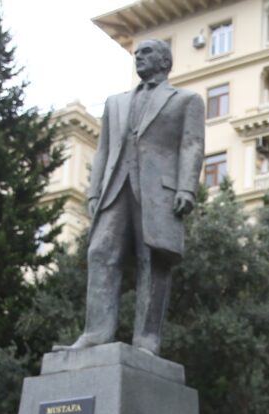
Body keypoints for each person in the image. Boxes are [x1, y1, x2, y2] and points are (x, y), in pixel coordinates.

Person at [66, 39, 205, 356]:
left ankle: (146, 341)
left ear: (164, 61)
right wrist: (94, 190)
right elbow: (103, 150)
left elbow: (192, 146)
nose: (138, 58)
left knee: (152, 262)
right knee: (100, 253)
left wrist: (186, 188)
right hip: (115, 189)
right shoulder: (115, 103)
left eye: (146, 53)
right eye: (136, 53)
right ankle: (96, 333)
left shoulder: (187, 100)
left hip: (160, 194)